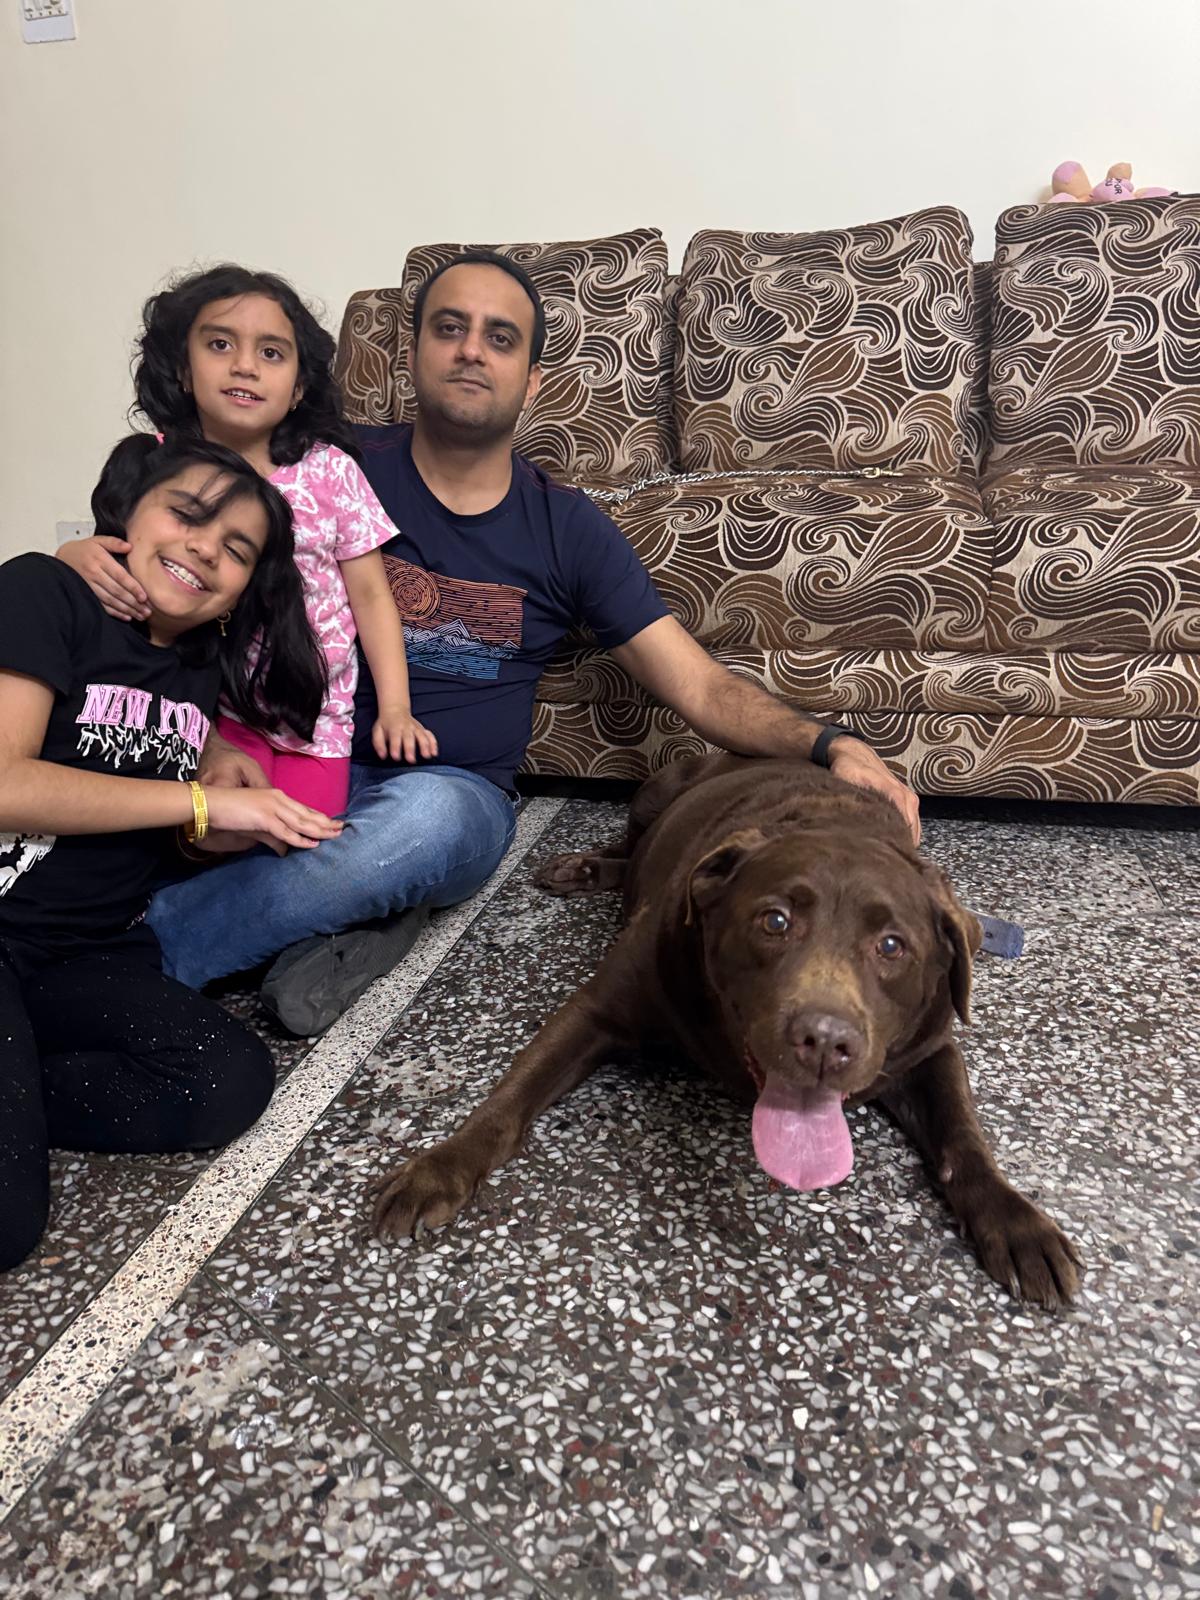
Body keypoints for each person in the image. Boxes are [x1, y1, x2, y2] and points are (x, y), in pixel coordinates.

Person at [79, 252, 922, 1037]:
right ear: (412, 355)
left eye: (500, 337)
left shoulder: (568, 529)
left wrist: (832, 741)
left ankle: (129, 958)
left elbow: (697, 687)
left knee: (422, 828)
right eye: (449, 328)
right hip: (275, 747)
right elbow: (176, 532)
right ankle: (346, 923)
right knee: (191, 786)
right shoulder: (326, 462)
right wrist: (89, 557)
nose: (471, 351)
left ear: (534, 377)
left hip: (446, 795)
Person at [0, 434, 342, 1270]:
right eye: (185, 515)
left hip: (88, 952)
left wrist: (221, 800)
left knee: (227, 1082)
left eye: (234, 549)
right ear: (126, 517)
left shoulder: (196, 665)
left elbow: (157, 786)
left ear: (234, 599)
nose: (203, 547)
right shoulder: (43, 588)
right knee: (7, 1222)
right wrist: (201, 796)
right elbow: (7, 783)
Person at [60, 265, 436, 818]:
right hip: (206, 712)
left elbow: (373, 595)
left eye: (271, 354)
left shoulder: (329, 471)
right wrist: (74, 556)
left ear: (299, 387)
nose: (244, 366)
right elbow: (117, 560)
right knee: (206, 835)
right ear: (184, 369)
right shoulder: (156, 464)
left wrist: (396, 709)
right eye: (219, 344)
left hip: (317, 720)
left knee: (300, 842)